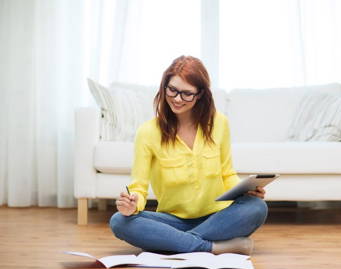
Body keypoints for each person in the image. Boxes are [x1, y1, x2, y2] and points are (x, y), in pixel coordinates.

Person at [109, 55, 268, 255]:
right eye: (172, 90)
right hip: (172, 220)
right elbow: (139, 187)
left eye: (186, 94)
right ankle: (211, 247)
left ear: (200, 94)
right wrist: (132, 204)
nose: (177, 98)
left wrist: (246, 190)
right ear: (164, 87)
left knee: (256, 207)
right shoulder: (147, 132)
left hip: (217, 217)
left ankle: (172, 242)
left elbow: (227, 174)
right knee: (119, 221)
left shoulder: (219, 123)